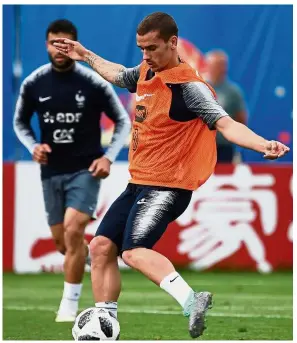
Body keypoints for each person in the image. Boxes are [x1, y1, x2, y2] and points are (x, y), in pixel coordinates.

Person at [53, 12, 289, 338]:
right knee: (101, 247)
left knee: (133, 252)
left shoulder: (189, 88)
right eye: (141, 48)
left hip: (168, 186)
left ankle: (192, 301)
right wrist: (85, 55)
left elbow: (225, 124)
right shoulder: (148, 70)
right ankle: (105, 320)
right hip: (139, 183)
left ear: (173, 43)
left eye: (152, 48)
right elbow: (119, 74)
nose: (145, 55)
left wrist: (263, 144)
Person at [13, 19, 131, 323]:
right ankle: (89, 258)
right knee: (64, 244)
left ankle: (69, 304)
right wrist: (33, 147)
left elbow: (123, 121)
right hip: (51, 171)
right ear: (47, 44)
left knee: (73, 228)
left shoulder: (93, 83)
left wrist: (108, 158)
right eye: (55, 43)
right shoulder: (34, 83)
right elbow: (20, 123)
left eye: (65, 43)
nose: (60, 49)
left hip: (86, 169)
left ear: (74, 44)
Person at [205, 50, 248, 163]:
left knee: (223, 176)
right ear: (208, 66)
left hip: (224, 147)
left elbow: (241, 118)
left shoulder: (233, 92)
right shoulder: (198, 88)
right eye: (217, 65)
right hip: (202, 146)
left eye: (223, 65)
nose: (221, 69)